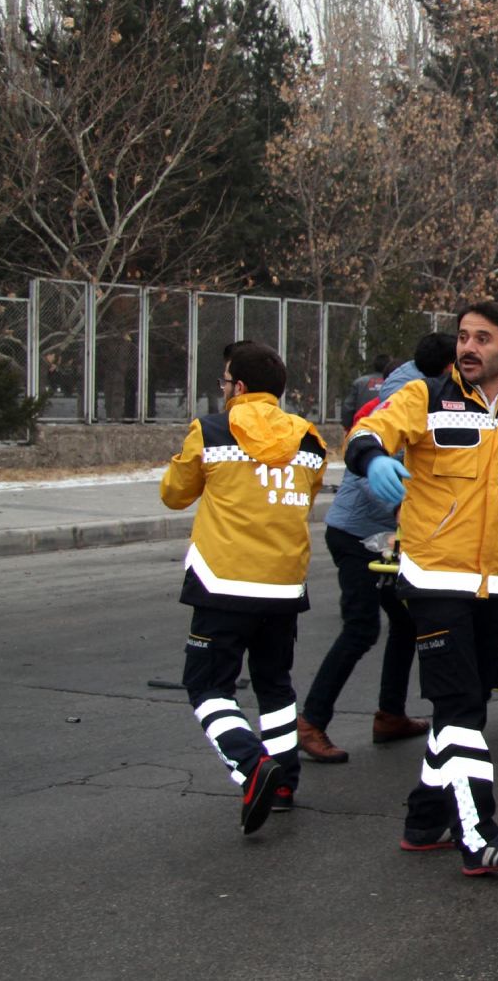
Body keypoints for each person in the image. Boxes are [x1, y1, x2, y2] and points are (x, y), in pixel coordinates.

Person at [343, 301, 498, 876]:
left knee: (470, 703)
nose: (468, 347)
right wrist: (371, 459)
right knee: (458, 705)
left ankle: (423, 819)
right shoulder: (425, 397)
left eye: (483, 338)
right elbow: (368, 429)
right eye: (462, 336)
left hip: (492, 580)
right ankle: (478, 835)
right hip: (433, 575)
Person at [159, 341, 327, 834]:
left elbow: (174, 494)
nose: (222, 389)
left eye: (224, 382)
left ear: (239, 387)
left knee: (207, 685)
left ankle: (250, 764)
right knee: (275, 686)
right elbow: (307, 494)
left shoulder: (210, 430)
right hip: (283, 585)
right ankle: (283, 784)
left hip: (222, 582)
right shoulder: (310, 439)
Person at [296, 332, 457, 763]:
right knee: (361, 628)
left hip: (385, 537)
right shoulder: (403, 401)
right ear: (446, 370)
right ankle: (310, 722)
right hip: (354, 535)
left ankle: (390, 714)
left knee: (405, 624)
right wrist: (409, 508)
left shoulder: (429, 392)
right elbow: (370, 478)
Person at [342, 355, 390, 430]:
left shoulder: (359, 383)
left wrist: (349, 427)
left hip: (361, 429)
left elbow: (348, 408)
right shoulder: (394, 385)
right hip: (387, 430)